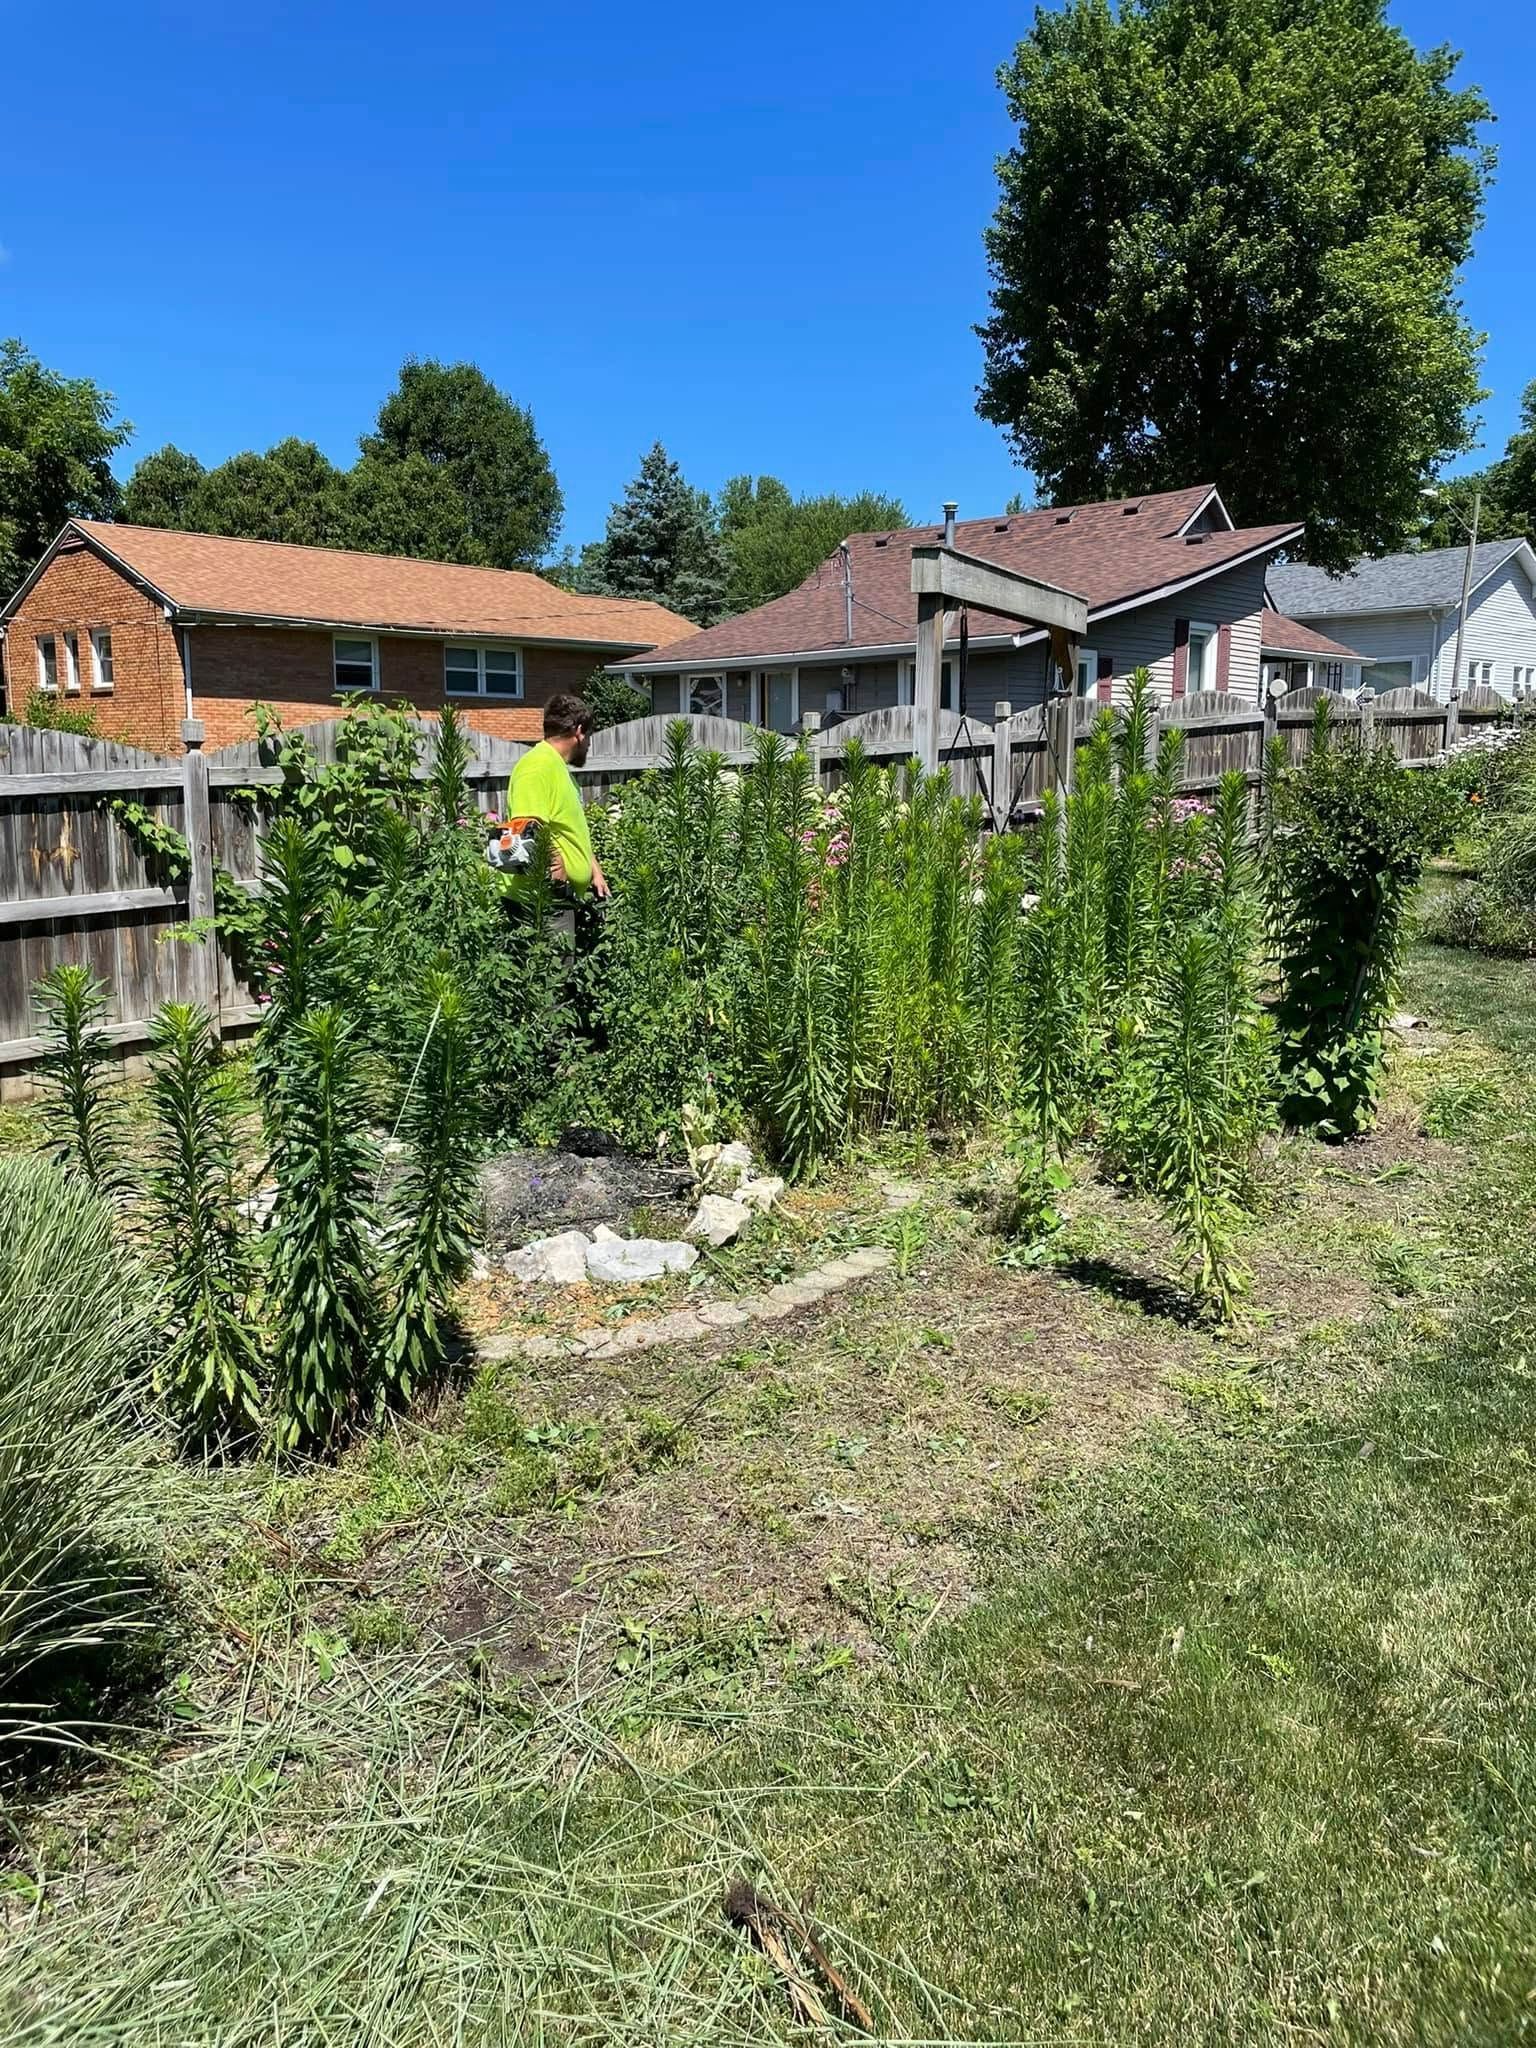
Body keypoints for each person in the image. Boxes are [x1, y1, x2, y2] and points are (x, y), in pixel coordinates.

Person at [504, 691, 610, 899]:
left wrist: (594, 870)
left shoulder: (557, 767)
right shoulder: (537, 766)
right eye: (588, 736)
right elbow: (526, 828)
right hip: (540, 899)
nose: (588, 744)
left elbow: (569, 829)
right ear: (579, 732)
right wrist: (557, 869)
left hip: (559, 895)